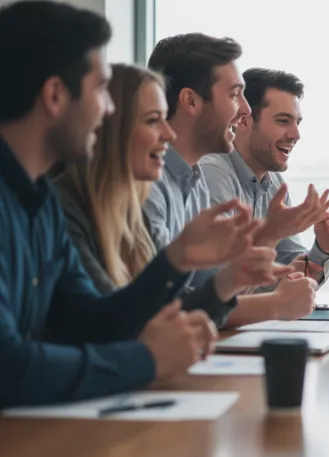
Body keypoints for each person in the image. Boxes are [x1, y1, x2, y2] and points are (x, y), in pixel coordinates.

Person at [0, 1, 258, 407]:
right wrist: (145, 360)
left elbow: (90, 322)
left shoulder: (40, 200)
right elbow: (8, 368)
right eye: (101, 89)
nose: (108, 110)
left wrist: (176, 259)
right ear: (54, 95)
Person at [54, 64, 290, 328]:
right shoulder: (63, 209)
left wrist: (230, 279)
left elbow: (153, 309)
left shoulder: (125, 209)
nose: (168, 134)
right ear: (110, 127)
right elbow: (111, 323)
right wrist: (180, 257)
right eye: (153, 120)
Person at [145, 34, 326, 326]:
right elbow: (161, 309)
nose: (244, 110)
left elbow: (218, 293)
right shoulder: (152, 184)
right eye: (233, 95)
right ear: (191, 100)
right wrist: (275, 303)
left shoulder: (195, 181)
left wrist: (269, 238)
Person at [200, 68, 329, 288]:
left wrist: (324, 249)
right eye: (283, 121)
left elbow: (293, 272)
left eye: (297, 122)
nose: (296, 135)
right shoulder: (213, 175)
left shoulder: (273, 182)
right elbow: (223, 287)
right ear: (243, 121)